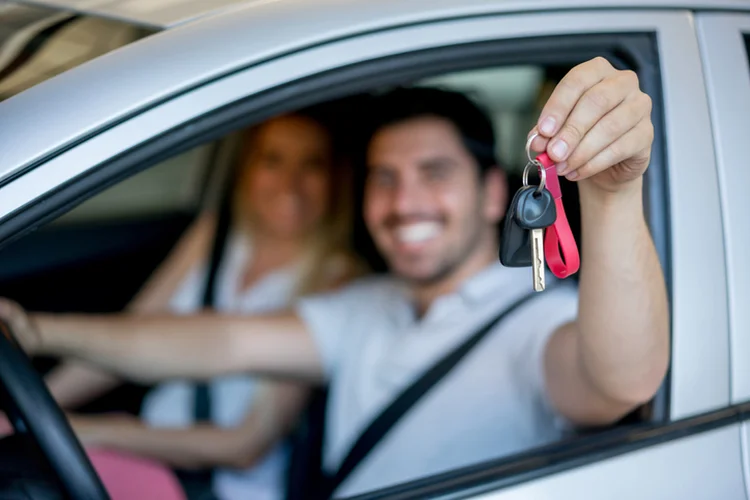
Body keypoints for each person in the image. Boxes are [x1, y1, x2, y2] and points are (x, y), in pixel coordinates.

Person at [1, 57, 669, 498]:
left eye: (434, 174)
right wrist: (38, 329)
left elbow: (620, 380)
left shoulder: (538, 320)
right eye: (384, 177)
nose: (404, 203)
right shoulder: (366, 305)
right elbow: (216, 343)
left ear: (496, 193)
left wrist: (611, 196)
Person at [21, 108, 364, 500]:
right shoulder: (214, 234)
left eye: (312, 164)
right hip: (141, 457)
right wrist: (37, 407)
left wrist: (85, 430)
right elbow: (126, 336)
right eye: (273, 159)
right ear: (247, 166)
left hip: (221, 488)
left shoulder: (337, 282)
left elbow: (246, 446)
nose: (290, 182)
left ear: (336, 178)